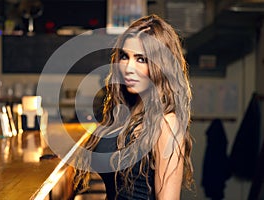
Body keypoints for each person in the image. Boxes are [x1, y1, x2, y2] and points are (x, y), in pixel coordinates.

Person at [66, 14, 194, 200]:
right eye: (125, 56)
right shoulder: (123, 113)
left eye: (141, 59)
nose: (128, 68)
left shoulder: (166, 124)